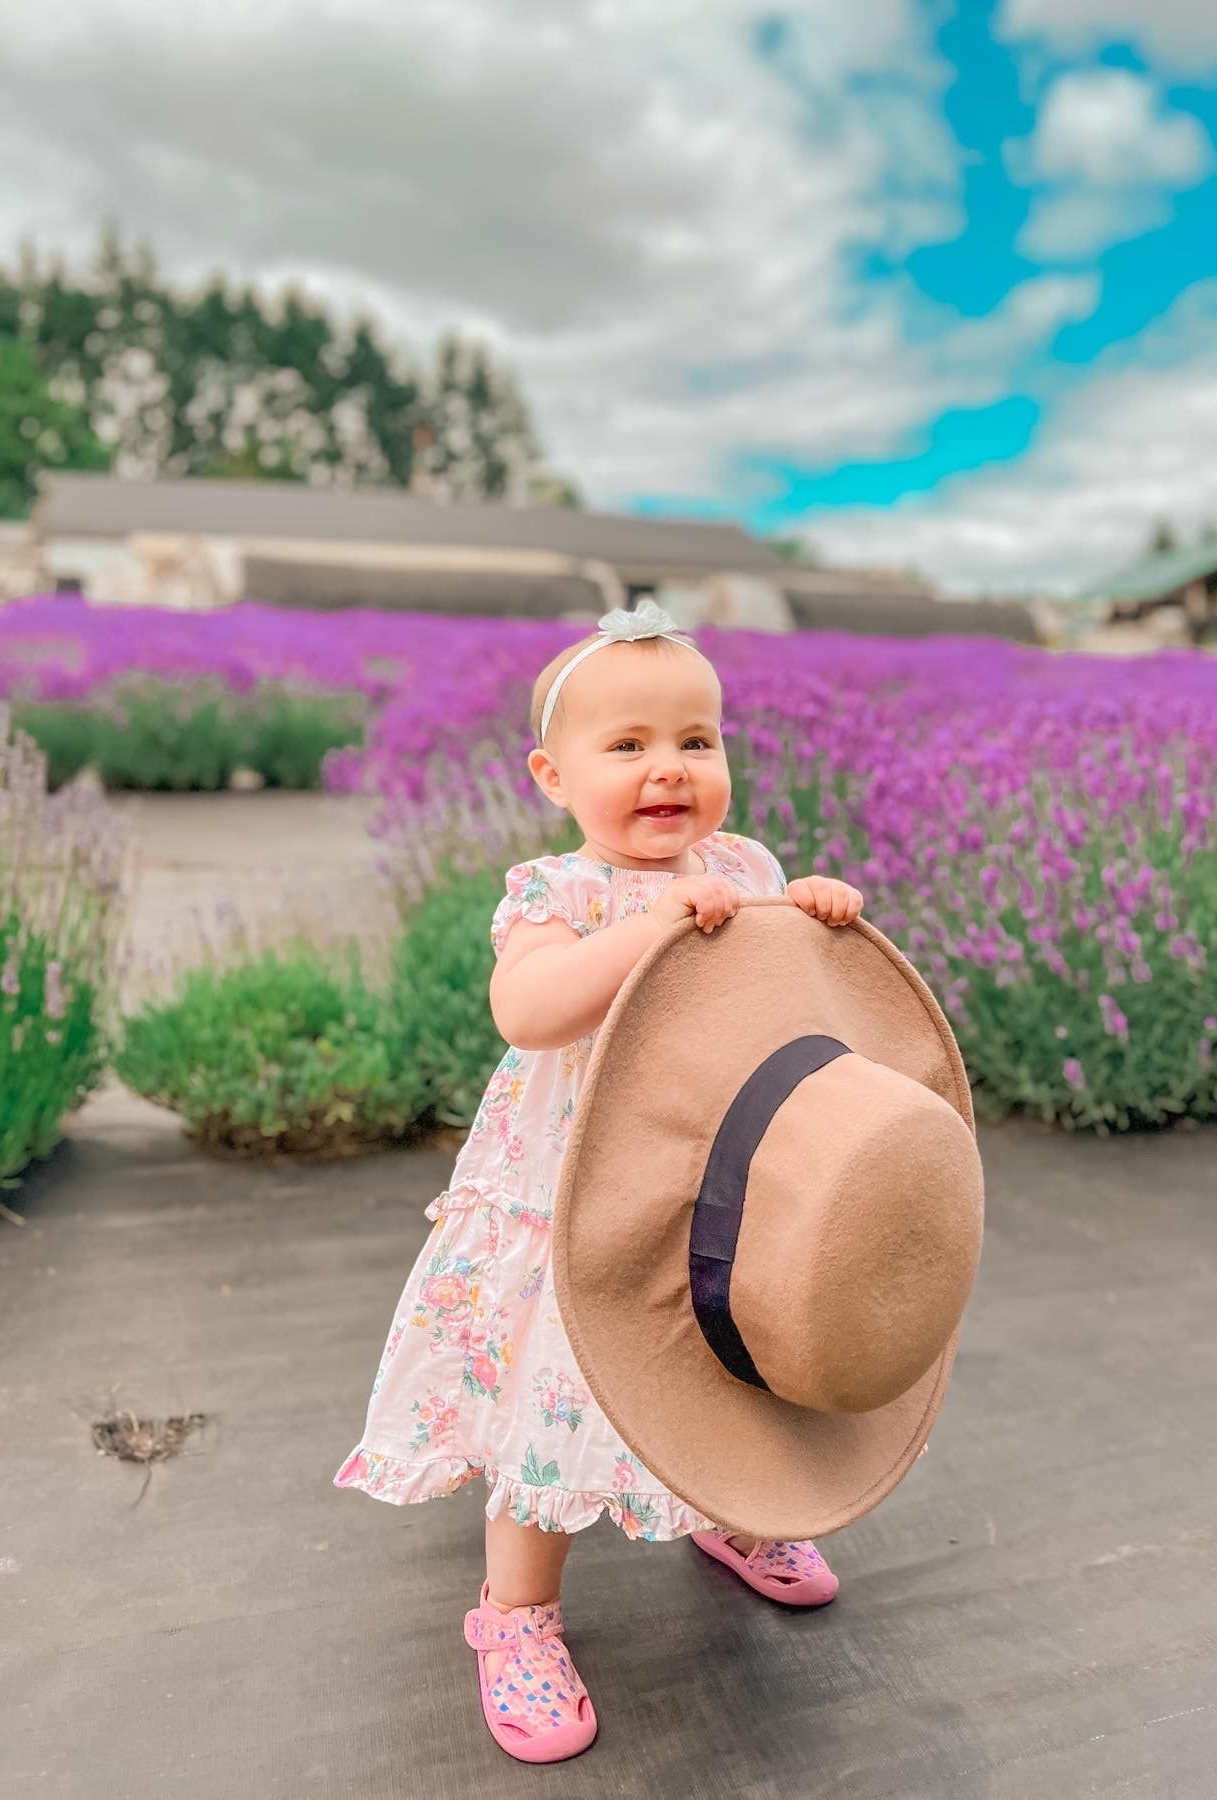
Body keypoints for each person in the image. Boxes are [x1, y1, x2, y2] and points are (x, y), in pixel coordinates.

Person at [334, 600, 864, 1765]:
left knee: (734, 1359)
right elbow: (529, 1010)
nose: (666, 769)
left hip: (714, 1184)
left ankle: (740, 1513)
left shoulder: (746, 866)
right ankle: (516, 1615)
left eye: (695, 740)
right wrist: (652, 923)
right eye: (625, 746)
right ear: (553, 775)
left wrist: (815, 915)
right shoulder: (557, 896)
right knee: (556, 1392)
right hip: (580, 1200)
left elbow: (793, 995)